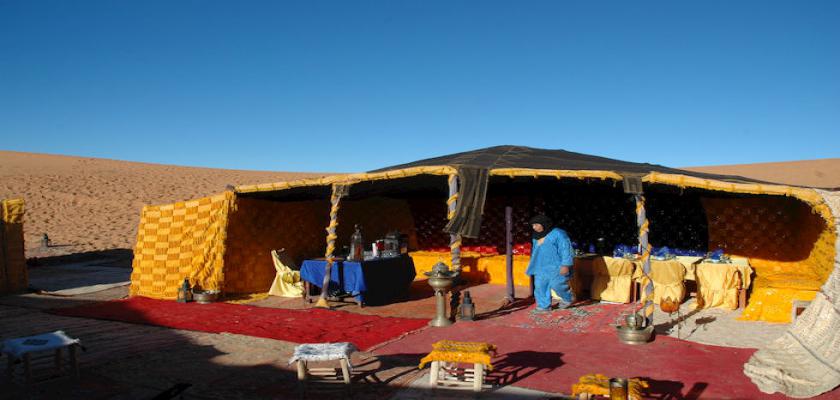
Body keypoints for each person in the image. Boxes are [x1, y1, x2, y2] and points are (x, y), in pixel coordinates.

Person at [526, 214, 575, 313]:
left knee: (557, 285)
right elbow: (536, 250)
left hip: (556, 266)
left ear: (544, 223)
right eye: (532, 225)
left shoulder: (558, 234)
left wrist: (566, 265)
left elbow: (566, 249)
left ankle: (568, 298)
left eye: (536, 224)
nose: (534, 227)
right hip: (540, 266)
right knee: (540, 286)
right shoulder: (535, 236)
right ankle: (544, 306)